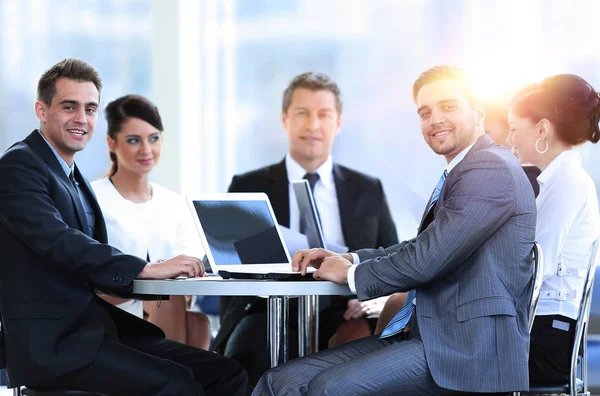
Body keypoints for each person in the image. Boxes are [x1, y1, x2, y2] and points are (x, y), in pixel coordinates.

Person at [253, 65, 537, 395]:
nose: (435, 120)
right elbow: (420, 245)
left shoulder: (490, 167)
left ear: (479, 112)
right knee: (279, 382)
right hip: (427, 335)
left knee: (328, 388)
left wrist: (350, 274)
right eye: (425, 112)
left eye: (448, 107)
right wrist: (347, 257)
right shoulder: (462, 171)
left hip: (466, 351)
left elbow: (426, 258)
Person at [0, 58, 247, 395]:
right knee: (178, 385)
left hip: (93, 331)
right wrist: (146, 269)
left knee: (226, 372)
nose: (81, 119)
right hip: (56, 346)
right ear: (41, 110)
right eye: (68, 107)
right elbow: (58, 241)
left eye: (90, 109)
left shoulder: (70, 174)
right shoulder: (20, 164)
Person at [214, 71, 399, 387]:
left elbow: (393, 262)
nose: (313, 125)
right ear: (285, 119)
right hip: (267, 310)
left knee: (354, 365)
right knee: (246, 361)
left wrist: (371, 301)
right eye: (302, 113)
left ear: (338, 123)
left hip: (346, 309)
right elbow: (230, 270)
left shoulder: (367, 189)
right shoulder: (248, 186)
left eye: (324, 114)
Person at [91, 94, 211, 349]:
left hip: (166, 305)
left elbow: (189, 275)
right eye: (134, 140)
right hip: (111, 308)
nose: (146, 150)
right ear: (111, 143)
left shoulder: (174, 203)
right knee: (170, 302)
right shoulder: (93, 200)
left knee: (199, 321)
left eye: (153, 138)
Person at [508, 73, 600, 384]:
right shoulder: (557, 181)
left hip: (545, 338)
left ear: (542, 128)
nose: (509, 140)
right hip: (541, 329)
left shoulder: (567, 183)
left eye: (513, 129)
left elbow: (534, 266)